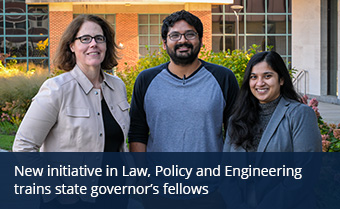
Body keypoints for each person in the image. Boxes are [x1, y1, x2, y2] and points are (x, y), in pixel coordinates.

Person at [12, 14, 130, 208]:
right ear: (71, 46)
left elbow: (120, 142)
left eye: (99, 38)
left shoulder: (117, 87)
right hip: (71, 200)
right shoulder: (57, 89)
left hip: (115, 194)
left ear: (106, 45)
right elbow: (23, 146)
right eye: (85, 39)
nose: (93, 44)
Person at [128, 10, 239, 153]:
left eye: (190, 34)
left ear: (201, 40)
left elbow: (236, 133)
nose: (182, 40)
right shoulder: (146, 79)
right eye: (174, 35)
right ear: (164, 43)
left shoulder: (223, 77)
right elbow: (137, 133)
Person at [223, 51, 322, 152]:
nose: (260, 83)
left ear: (281, 80)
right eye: (254, 77)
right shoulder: (237, 118)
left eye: (267, 76)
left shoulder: (300, 114)